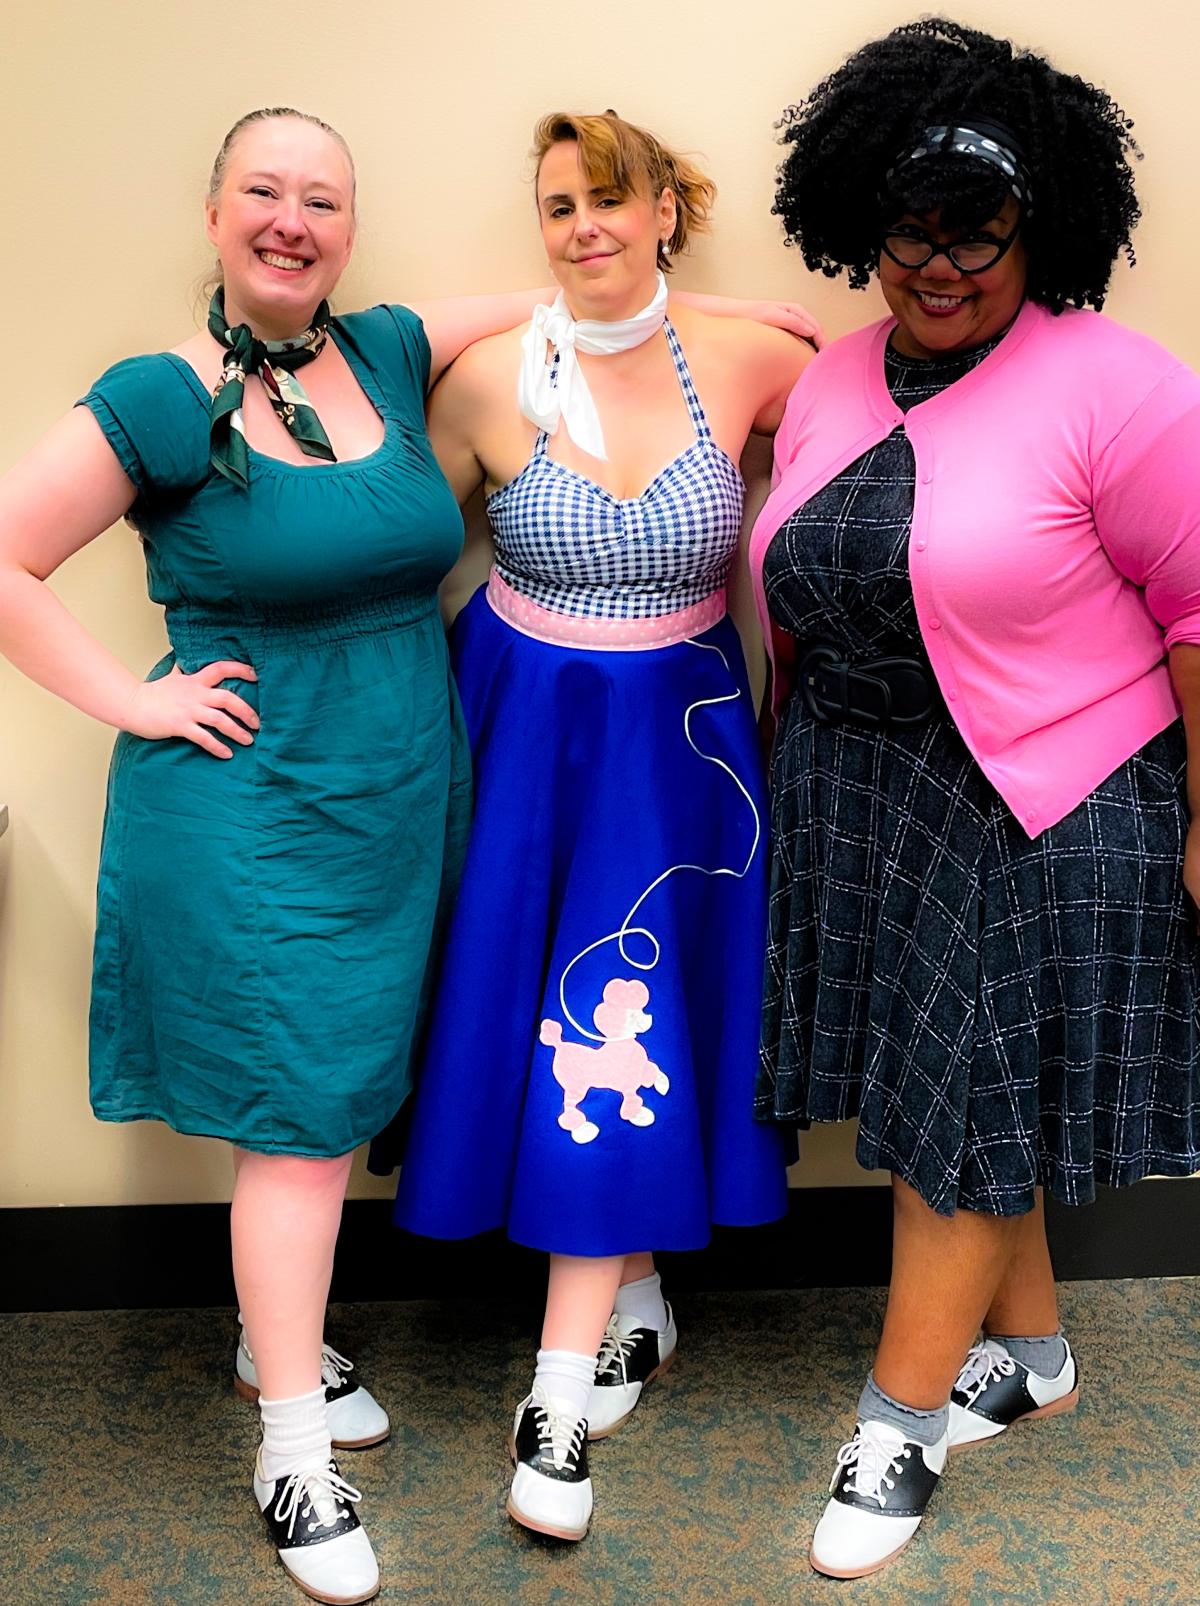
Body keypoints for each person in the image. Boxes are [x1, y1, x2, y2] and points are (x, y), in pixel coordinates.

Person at [0, 105, 621, 1606]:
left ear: (351, 227)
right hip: (250, 805)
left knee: (333, 1103)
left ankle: (270, 1337)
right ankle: (292, 1446)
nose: (294, 219)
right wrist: (134, 694)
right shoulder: (156, 396)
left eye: (322, 199)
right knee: (295, 1112)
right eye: (265, 192)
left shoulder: (394, 350)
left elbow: (576, 304)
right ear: (215, 213)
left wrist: (746, 310)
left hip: (400, 786)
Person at [749, 18, 1200, 1579]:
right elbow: (803, 567)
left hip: (1049, 792)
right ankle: (1040, 1353)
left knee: (953, 1110)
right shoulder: (840, 376)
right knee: (956, 1086)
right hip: (868, 780)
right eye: (910, 228)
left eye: (979, 229)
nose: (940, 264)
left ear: (1043, 222)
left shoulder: (1124, 387)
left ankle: (900, 1420)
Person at [389, 109, 814, 1543]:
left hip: (684, 739)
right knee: (546, 1009)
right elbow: (391, 539)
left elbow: (862, 465)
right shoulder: (483, 378)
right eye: (557, 206)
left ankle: (566, 1371)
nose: (582, 227)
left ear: (666, 212)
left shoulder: (758, 361)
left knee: (634, 1004)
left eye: (610, 201)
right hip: (526, 735)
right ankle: (620, 1303)